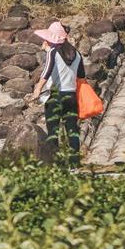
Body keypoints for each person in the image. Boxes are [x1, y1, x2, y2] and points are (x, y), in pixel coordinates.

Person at [32, 20, 83, 161]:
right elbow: (81, 76)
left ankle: (54, 163)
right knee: (72, 130)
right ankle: (74, 164)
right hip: (71, 95)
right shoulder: (77, 54)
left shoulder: (53, 52)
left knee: (53, 131)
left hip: (56, 95)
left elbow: (46, 72)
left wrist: (37, 90)